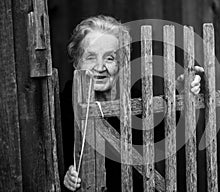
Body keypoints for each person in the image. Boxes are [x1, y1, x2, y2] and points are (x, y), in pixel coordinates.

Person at [63, 14, 203, 191]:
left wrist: (178, 92)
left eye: (110, 58)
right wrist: (65, 176)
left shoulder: (134, 99)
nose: (99, 67)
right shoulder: (61, 107)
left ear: (122, 63)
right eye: (90, 57)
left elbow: (158, 136)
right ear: (76, 62)